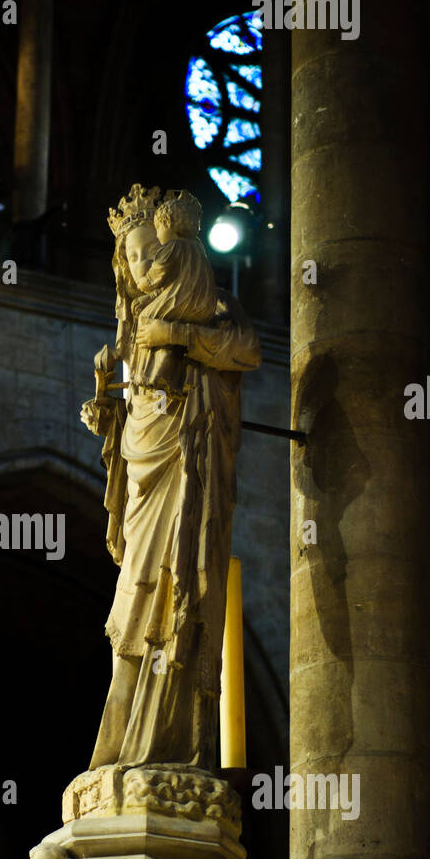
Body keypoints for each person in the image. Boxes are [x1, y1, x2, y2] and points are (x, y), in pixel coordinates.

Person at [81, 184, 260, 771]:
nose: (143, 264)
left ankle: (167, 745)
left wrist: (182, 336)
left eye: (149, 251)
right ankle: (118, 748)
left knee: (174, 596)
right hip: (141, 478)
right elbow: (134, 412)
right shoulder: (127, 340)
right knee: (130, 604)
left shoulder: (208, 304)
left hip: (186, 471)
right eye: (131, 257)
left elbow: (246, 350)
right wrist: (107, 416)